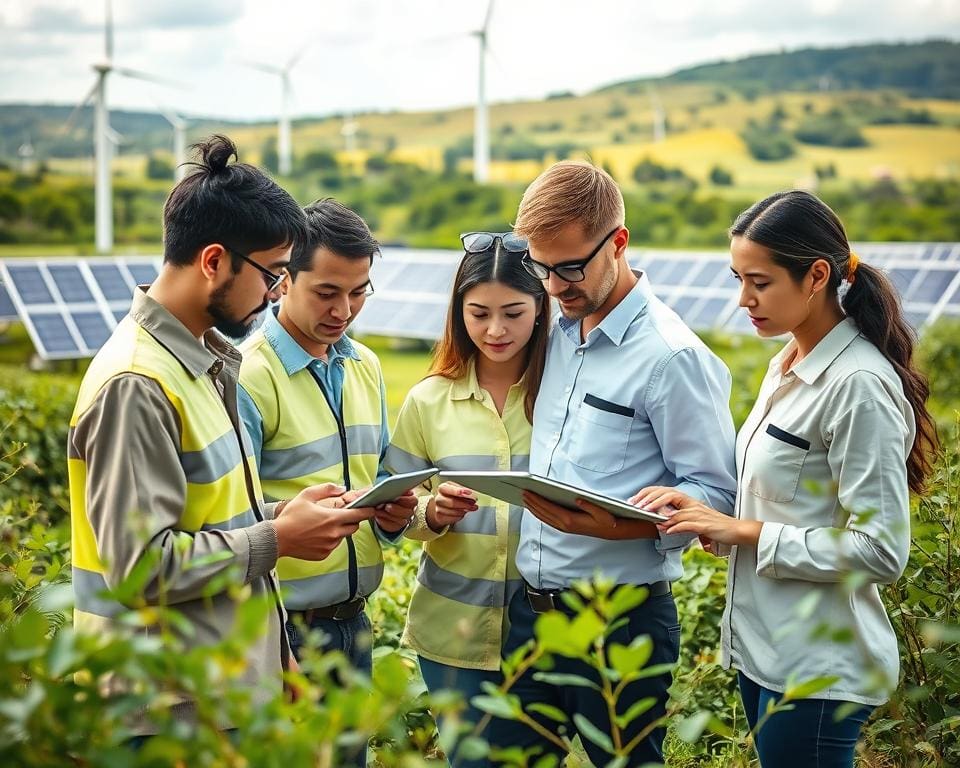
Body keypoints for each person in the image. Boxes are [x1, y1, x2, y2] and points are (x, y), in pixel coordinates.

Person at [68, 135, 374, 735]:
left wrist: (283, 522)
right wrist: (278, 538)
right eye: (272, 274)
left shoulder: (202, 363)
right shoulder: (138, 382)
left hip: (221, 689)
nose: (275, 292)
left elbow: (213, 518)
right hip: (163, 711)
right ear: (214, 261)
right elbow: (139, 568)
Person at [637, 190, 937, 768]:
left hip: (817, 667)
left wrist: (743, 531)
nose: (743, 300)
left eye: (760, 281)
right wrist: (711, 517)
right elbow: (783, 497)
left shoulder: (858, 385)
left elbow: (880, 551)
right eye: (737, 278)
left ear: (817, 276)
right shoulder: (788, 362)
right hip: (766, 652)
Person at [486, 161, 738, 766]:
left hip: (620, 622)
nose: (552, 285)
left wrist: (616, 526)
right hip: (532, 613)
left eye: (570, 267)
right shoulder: (558, 329)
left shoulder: (672, 357)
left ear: (618, 242)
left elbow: (716, 499)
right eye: (540, 267)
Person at [238, 199, 416, 698]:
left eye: (359, 292)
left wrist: (393, 513)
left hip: (353, 623)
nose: (344, 311)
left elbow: (377, 477)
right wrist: (273, 645)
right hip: (282, 630)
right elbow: (233, 521)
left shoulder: (366, 365)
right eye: (326, 293)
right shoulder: (248, 375)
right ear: (283, 280)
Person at [383, 234, 550, 767]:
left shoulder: (566, 395)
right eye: (478, 313)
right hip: (452, 632)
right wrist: (429, 512)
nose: (495, 330)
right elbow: (395, 504)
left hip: (547, 630)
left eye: (513, 313)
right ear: (458, 312)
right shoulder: (428, 400)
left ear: (541, 308)